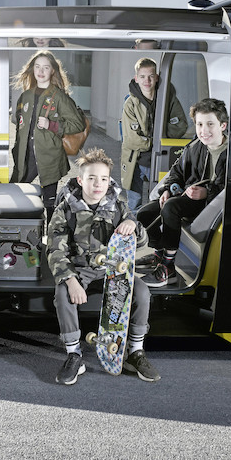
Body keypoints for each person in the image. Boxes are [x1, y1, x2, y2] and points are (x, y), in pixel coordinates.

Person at [48, 148, 158, 385]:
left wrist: (132, 224)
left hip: (113, 270)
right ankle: (74, 354)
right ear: (81, 180)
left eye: (104, 179)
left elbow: (141, 241)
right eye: (92, 178)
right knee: (63, 294)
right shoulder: (65, 209)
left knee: (142, 292)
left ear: (109, 181)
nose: (98, 184)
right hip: (80, 270)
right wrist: (71, 280)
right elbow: (56, 250)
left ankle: (135, 352)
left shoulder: (118, 206)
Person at [136, 98, 229, 287]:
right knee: (144, 213)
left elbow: (228, 187)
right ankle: (158, 254)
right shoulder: (195, 146)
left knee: (171, 208)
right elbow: (177, 172)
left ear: (222, 125)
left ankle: (168, 267)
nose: (204, 130)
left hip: (213, 204)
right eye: (200, 124)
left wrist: (205, 193)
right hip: (188, 197)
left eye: (210, 124)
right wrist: (168, 189)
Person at [9, 50, 85, 220]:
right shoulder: (26, 95)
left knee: (49, 203)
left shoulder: (59, 97)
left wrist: (51, 125)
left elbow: (78, 124)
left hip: (49, 157)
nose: (41, 71)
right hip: (24, 157)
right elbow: (18, 122)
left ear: (52, 71)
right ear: (32, 69)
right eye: (37, 67)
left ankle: (52, 239)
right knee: (16, 194)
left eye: (45, 67)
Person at [120, 58, 188, 209]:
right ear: (136, 78)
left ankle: (152, 232)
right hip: (136, 161)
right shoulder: (130, 104)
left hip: (160, 158)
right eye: (143, 76)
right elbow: (131, 140)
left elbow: (181, 126)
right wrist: (157, 139)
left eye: (151, 76)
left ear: (157, 77)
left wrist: (153, 136)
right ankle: (135, 231)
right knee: (134, 203)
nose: (147, 80)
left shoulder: (168, 99)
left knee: (158, 201)